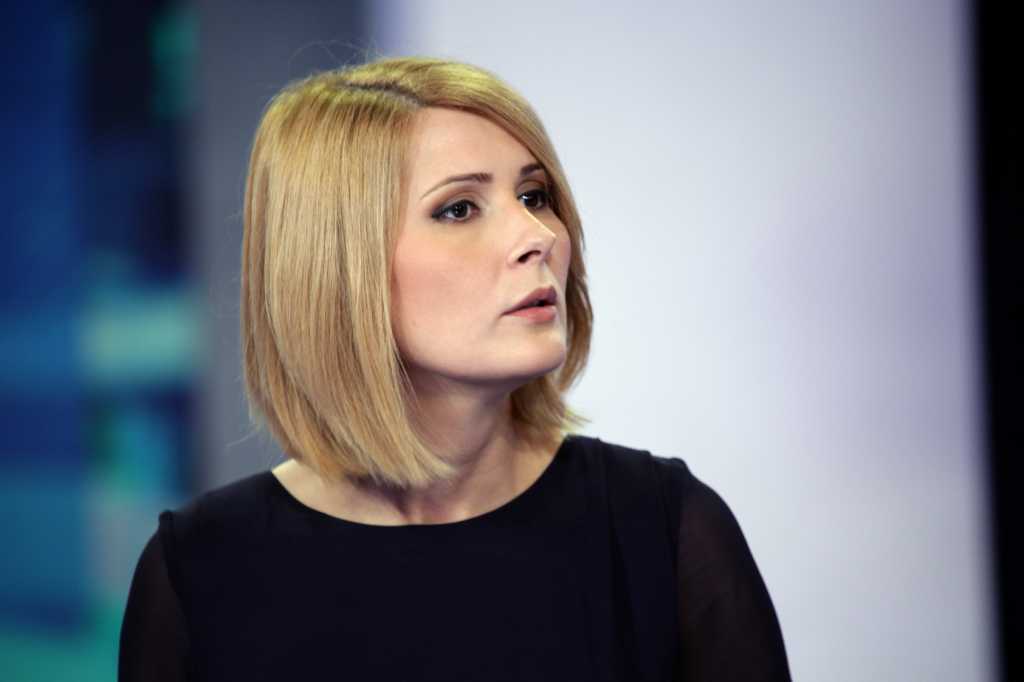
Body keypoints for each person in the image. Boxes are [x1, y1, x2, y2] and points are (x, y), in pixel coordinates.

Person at [119, 56, 791, 681]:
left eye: (534, 195)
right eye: (460, 208)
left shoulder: (663, 530)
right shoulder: (199, 570)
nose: (539, 237)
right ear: (339, 267)